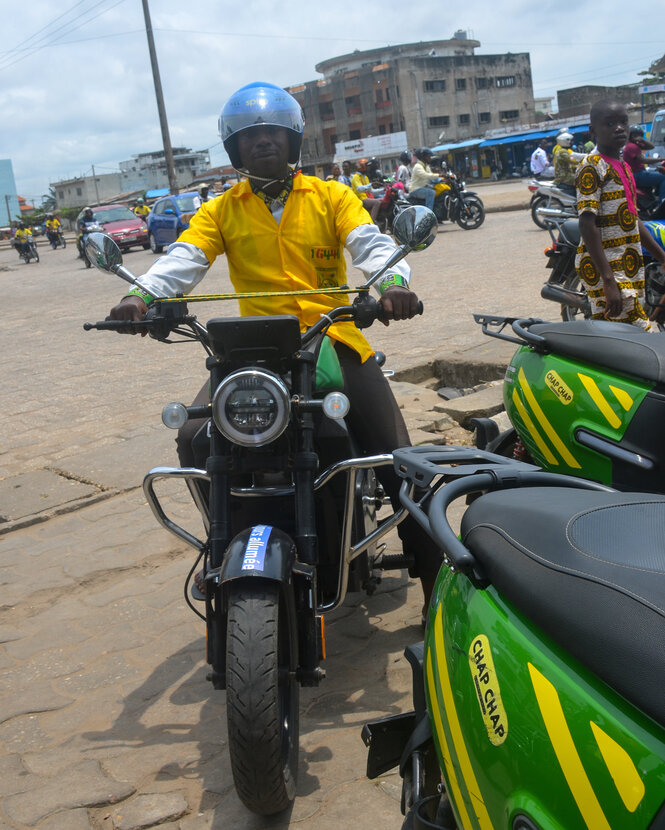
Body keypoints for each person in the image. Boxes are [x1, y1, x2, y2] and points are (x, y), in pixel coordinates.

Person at [107, 81, 442, 613]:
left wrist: (392, 284)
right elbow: (185, 257)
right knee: (196, 437)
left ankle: (435, 586)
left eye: (271, 133)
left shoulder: (332, 196)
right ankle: (219, 544)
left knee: (395, 457)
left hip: (333, 336)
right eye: (249, 137)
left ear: (292, 140)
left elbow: (369, 243)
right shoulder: (220, 210)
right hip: (254, 351)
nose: (262, 142)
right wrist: (141, 295)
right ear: (235, 150)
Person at [575, 100, 665, 329]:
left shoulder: (622, 165)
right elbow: (587, 225)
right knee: (634, 333)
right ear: (593, 130)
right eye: (610, 123)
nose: (619, 128)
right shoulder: (591, 166)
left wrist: (662, 257)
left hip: (626, 264)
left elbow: (632, 220)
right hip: (607, 267)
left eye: (623, 122)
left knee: (622, 335)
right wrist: (608, 280)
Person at [623, 126, 665, 209]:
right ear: (630, 136)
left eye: (639, 135)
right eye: (635, 135)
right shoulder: (632, 146)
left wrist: (642, 140)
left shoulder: (636, 145)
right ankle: (662, 203)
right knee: (664, 177)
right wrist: (661, 159)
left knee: (659, 173)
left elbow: (651, 146)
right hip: (637, 175)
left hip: (639, 173)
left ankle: (655, 198)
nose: (637, 137)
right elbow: (644, 160)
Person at [552, 131, 584, 196]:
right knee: (582, 180)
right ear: (565, 142)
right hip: (563, 176)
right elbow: (573, 161)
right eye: (571, 141)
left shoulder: (564, 151)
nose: (572, 143)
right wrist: (584, 161)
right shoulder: (562, 152)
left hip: (565, 174)